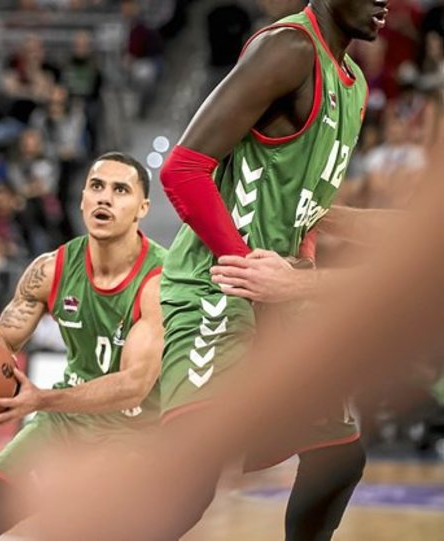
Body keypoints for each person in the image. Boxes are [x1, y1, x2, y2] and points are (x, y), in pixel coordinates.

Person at [158, 1, 391, 539]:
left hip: (280, 290)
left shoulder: (354, 84)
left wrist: (300, 282)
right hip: (221, 282)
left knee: (337, 457)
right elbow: (183, 170)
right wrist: (248, 267)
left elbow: (307, 206)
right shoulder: (288, 49)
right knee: (188, 485)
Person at [0, 152, 167, 541]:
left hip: (137, 432)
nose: (105, 197)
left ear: (143, 208)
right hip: (63, 423)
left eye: (120, 190)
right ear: (82, 200)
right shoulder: (51, 268)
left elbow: (134, 385)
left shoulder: (159, 281)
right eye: (96, 186)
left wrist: (42, 400)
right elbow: (3, 339)